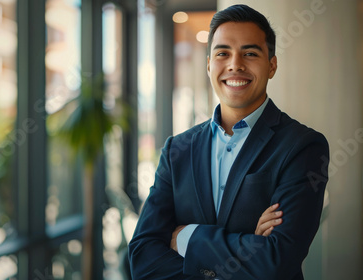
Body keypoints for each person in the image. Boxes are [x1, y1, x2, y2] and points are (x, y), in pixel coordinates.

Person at [128, 4, 329, 280]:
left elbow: (277, 261)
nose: (235, 64)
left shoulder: (302, 146)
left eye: (250, 53)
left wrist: (188, 236)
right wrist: (247, 247)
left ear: (272, 65)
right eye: (223, 53)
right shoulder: (178, 150)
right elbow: (142, 260)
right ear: (209, 64)